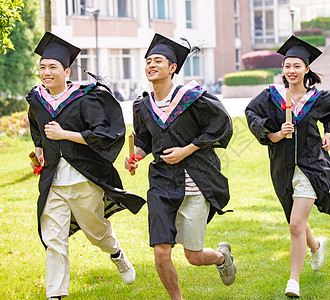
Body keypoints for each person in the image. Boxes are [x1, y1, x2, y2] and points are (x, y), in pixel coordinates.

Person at [26, 32, 146, 300]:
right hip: (52, 181)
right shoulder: (37, 99)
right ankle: (56, 294)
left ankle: (116, 252)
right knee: (53, 239)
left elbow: (106, 135)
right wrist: (38, 147)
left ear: (66, 71)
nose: (46, 72)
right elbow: (36, 124)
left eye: (52, 67)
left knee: (96, 232)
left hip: (83, 177)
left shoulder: (86, 98)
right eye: (42, 67)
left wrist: (64, 134)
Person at [124, 33, 236, 300]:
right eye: (148, 61)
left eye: (158, 61)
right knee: (161, 252)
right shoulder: (142, 106)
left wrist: (187, 150)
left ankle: (221, 257)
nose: (151, 65)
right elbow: (144, 141)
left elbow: (222, 126)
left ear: (172, 67)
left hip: (195, 183)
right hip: (162, 184)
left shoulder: (193, 98)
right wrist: (136, 156)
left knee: (194, 257)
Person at [245, 35, 330, 297]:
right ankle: (316, 246)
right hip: (282, 167)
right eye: (287, 66)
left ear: (307, 69)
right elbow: (251, 115)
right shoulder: (271, 96)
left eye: (297, 66)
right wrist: (274, 135)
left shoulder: (318, 98)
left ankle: (293, 281)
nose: (291, 71)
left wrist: (329, 132)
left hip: (312, 166)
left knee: (296, 224)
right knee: (296, 218)